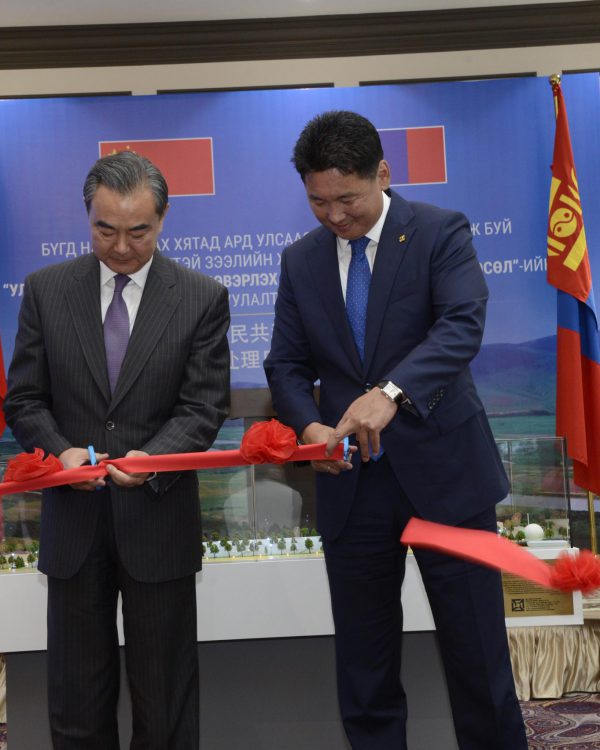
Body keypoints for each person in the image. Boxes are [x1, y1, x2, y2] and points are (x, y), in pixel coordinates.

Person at [264, 110, 527, 749]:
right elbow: (286, 364)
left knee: (478, 661)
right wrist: (311, 426)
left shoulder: (439, 231)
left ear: (382, 173)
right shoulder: (301, 261)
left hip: (447, 480)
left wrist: (390, 394)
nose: (334, 216)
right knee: (365, 673)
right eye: (318, 202)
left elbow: (461, 325)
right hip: (353, 487)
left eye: (347, 199)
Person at [4, 150, 230, 749]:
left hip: (158, 523)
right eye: (106, 230)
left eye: (139, 231)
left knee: (166, 707)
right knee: (76, 705)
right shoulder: (48, 291)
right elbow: (24, 399)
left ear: (163, 219)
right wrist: (60, 454)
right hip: (74, 527)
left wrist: (149, 461)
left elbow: (204, 408)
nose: (122, 247)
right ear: (87, 217)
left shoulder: (201, 297)